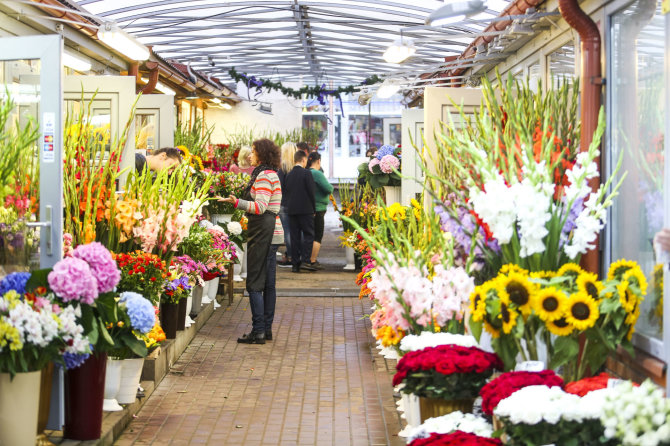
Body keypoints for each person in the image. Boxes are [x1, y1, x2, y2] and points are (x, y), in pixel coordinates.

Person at [217, 138, 283, 344]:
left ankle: (258, 330)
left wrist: (236, 202)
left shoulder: (263, 176)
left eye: (253, 152)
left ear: (262, 155)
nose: (249, 156)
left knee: (254, 283)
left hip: (264, 233)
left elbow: (260, 207)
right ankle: (266, 329)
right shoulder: (270, 174)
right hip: (272, 233)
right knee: (268, 284)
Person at [284, 150, 317, 273]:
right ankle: (305, 261)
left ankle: (295, 264)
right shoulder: (306, 173)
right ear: (304, 160)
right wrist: (313, 209)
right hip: (306, 210)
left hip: (292, 210)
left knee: (294, 237)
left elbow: (286, 192)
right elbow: (311, 192)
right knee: (308, 235)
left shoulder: (289, 174)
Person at [306, 152, 333, 270]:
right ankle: (312, 260)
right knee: (318, 235)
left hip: (309, 208)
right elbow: (329, 188)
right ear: (318, 161)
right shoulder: (316, 173)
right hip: (319, 208)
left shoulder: (306, 172)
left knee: (310, 234)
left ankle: (308, 258)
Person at [277, 142, 298, 267]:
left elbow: (279, 187)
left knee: (288, 232)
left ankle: (290, 256)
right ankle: (293, 255)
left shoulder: (282, 169)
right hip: (297, 203)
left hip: (284, 203)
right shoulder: (298, 168)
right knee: (296, 231)